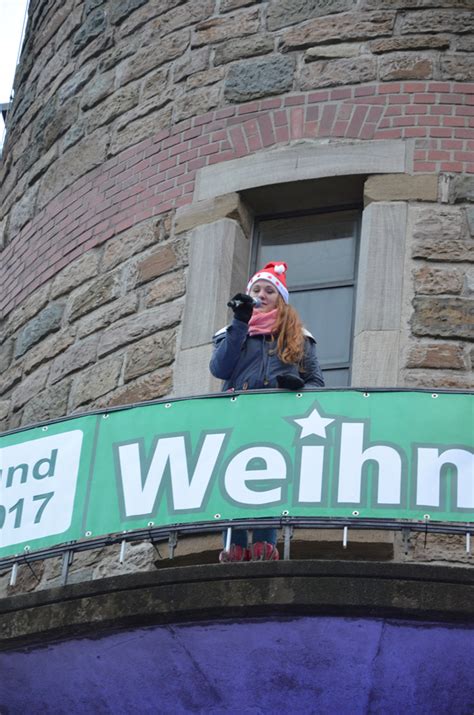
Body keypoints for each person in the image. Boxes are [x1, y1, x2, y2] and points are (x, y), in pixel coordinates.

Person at [210, 261, 324, 562]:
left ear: (280, 297)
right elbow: (220, 368)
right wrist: (239, 322)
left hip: (277, 418)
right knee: (234, 475)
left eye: (269, 290)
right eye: (256, 289)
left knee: (269, 476)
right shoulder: (232, 332)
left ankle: (264, 542)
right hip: (238, 415)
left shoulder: (299, 337)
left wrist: (296, 389)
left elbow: (316, 382)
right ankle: (233, 542)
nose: (262, 294)